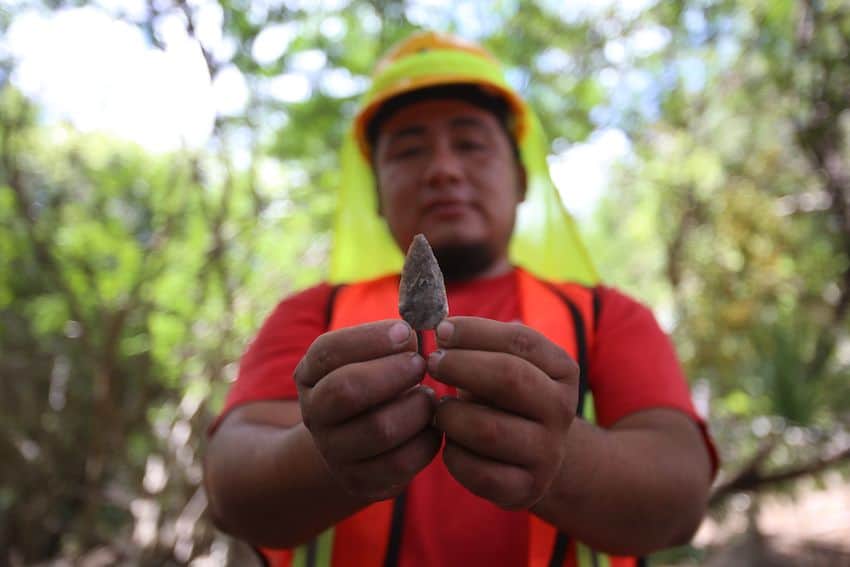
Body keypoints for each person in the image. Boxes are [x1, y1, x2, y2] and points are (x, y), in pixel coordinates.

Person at [204, 32, 717, 567]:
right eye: (408, 149)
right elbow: (228, 488)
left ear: (521, 178)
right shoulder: (311, 316)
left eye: (470, 143)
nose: (443, 169)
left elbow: (682, 500)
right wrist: (324, 456)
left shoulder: (605, 316)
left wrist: (562, 456)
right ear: (376, 193)